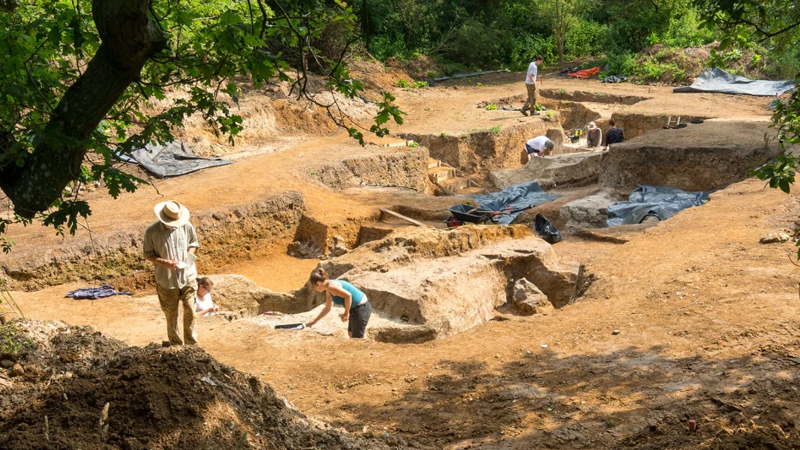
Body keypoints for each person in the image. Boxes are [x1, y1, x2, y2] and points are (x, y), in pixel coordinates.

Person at [143, 200, 200, 346]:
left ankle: (191, 344)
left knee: (191, 311)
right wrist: (165, 263)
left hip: (188, 276)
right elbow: (148, 254)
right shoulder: (152, 232)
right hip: (166, 280)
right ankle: (176, 346)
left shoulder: (186, 225)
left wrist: (188, 254)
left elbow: (194, 243)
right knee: (171, 315)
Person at [305, 268, 372, 339]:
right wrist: (314, 321)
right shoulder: (328, 289)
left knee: (357, 338)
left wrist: (346, 313)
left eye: (314, 288)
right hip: (355, 308)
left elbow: (348, 295)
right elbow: (327, 308)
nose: (316, 290)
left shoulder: (332, 287)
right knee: (351, 333)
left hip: (361, 308)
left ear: (318, 284)